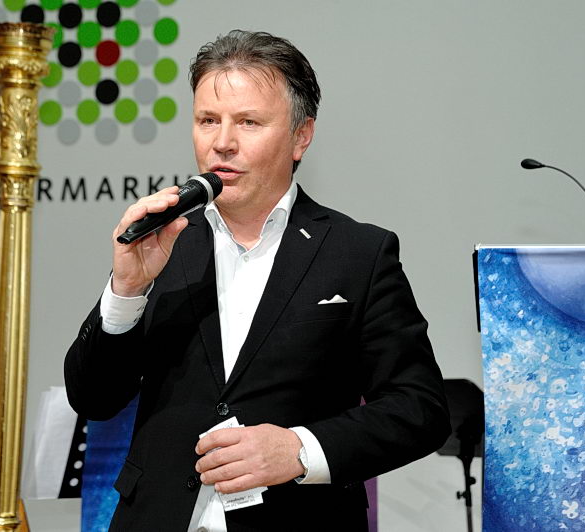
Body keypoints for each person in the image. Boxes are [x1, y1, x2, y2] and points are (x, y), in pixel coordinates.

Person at [65, 29, 450, 531]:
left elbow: (419, 409)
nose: (222, 142)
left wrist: (299, 449)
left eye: (248, 122)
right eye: (208, 120)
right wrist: (126, 291)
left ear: (301, 136)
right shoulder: (163, 241)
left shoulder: (359, 253)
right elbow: (94, 399)